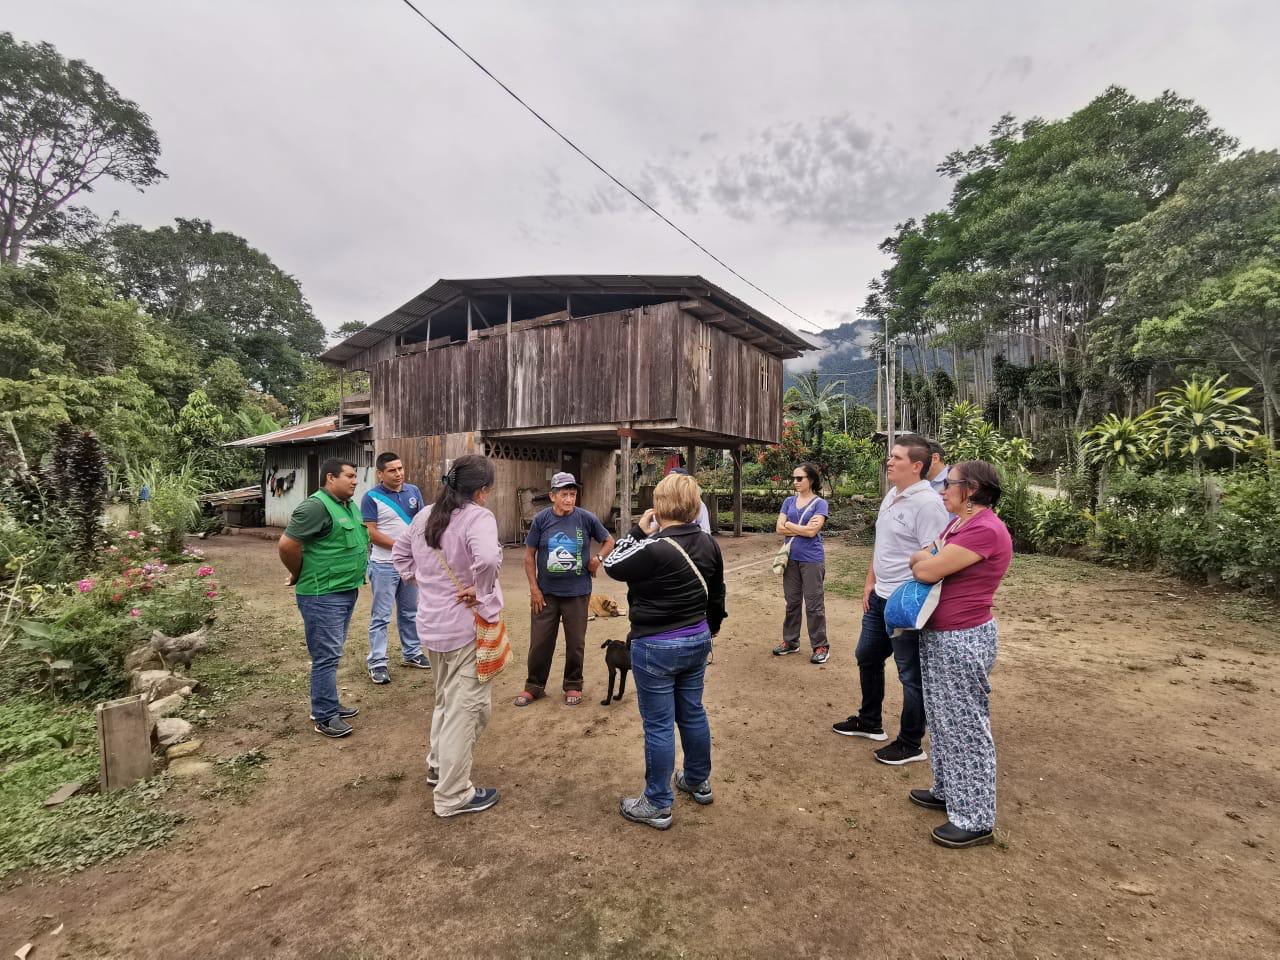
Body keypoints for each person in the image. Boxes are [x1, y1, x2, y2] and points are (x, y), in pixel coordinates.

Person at [603, 472, 727, 830]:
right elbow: (717, 592)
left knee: (658, 724)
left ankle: (657, 802)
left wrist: (638, 530)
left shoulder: (653, 546)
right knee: (692, 712)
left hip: (656, 644)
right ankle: (697, 780)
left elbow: (612, 563)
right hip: (696, 638)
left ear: (659, 507)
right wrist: (712, 627)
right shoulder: (709, 543)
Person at [907, 460, 1012, 848]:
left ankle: (975, 818)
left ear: (970, 489)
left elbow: (927, 569)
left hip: (963, 638)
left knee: (966, 725)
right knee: (942, 717)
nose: (942, 490)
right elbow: (923, 557)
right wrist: (926, 560)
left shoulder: (984, 529)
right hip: (941, 634)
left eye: (948, 484)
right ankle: (949, 791)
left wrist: (927, 562)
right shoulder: (959, 525)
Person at [390, 454, 503, 817]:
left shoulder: (424, 514)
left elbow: (400, 554)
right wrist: (480, 590)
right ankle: (453, 795)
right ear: (482, 491)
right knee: (465, 710)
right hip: (466, 627)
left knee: (446, 700)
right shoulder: (477, 517)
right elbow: (486, 558)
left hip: (432, 625)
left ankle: (438, 766)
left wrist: (422, 582)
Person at [832, 435, 948, 765]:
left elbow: (935, 558)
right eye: (890, 457)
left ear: (916, 466)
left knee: (910, 675)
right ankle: (870, 721)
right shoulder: (892, 495)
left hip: (904, 603)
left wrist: (909, 595)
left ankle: (911, 742)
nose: (889, 461)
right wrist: (870, 581)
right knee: (866, 655)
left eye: (896, 457)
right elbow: (883, 545)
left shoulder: (928, 505)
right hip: (880, 597)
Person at [278, 458, 370, 739]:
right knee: (325, 656)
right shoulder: (315, 507)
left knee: (332, 652)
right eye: (350, 476)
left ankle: (328, 703)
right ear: (331, 478)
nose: (355, 481)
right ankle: (324, 716)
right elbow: (287, 544)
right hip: (322, 594)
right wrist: (297, 572)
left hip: (344, 590)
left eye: (356, 477)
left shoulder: (347, 505)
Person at [516, 472, 615, 707]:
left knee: (575, 642)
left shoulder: (586, 518)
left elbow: (609, 540)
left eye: (572, 494)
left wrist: (598, 559)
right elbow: (529, 557)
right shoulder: (541, 520)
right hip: (546, 593)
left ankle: (573, 684)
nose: (569, 499)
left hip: (577, 593)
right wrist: (534, 589)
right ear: (552, 496)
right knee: (540, 642)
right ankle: (534, 686)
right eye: (564, 495)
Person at [360, 452, 429, 684]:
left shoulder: (413, 491)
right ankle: (377, 662)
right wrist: (403, 546)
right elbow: (370, 532)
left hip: (410, 565)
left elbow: (420, 522)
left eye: (400, 468)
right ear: (380, 473)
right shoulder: (371, 497)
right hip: (383, 566)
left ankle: (412, 653)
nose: (398, 474)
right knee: (381, 616)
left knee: (410, 612)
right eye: (392, 470)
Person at [771, 462, 830, 663]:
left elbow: (813, 531)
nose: (795, 482)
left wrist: (789, 524)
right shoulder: (788, 501)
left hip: (812, 559)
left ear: (811, 480)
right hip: (791, 558)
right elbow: (779, 529)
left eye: (800, 478)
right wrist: (799, 528)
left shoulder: (820, 503)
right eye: (794, 478)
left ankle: (820, 645)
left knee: (814, 604)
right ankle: (791, 641)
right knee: (792, 602)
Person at [639, 466, 711, 535]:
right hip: (665, 541)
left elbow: (705, 529)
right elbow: (654, 527)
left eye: (676, 481)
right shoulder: (663, 501)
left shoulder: (697, 503)